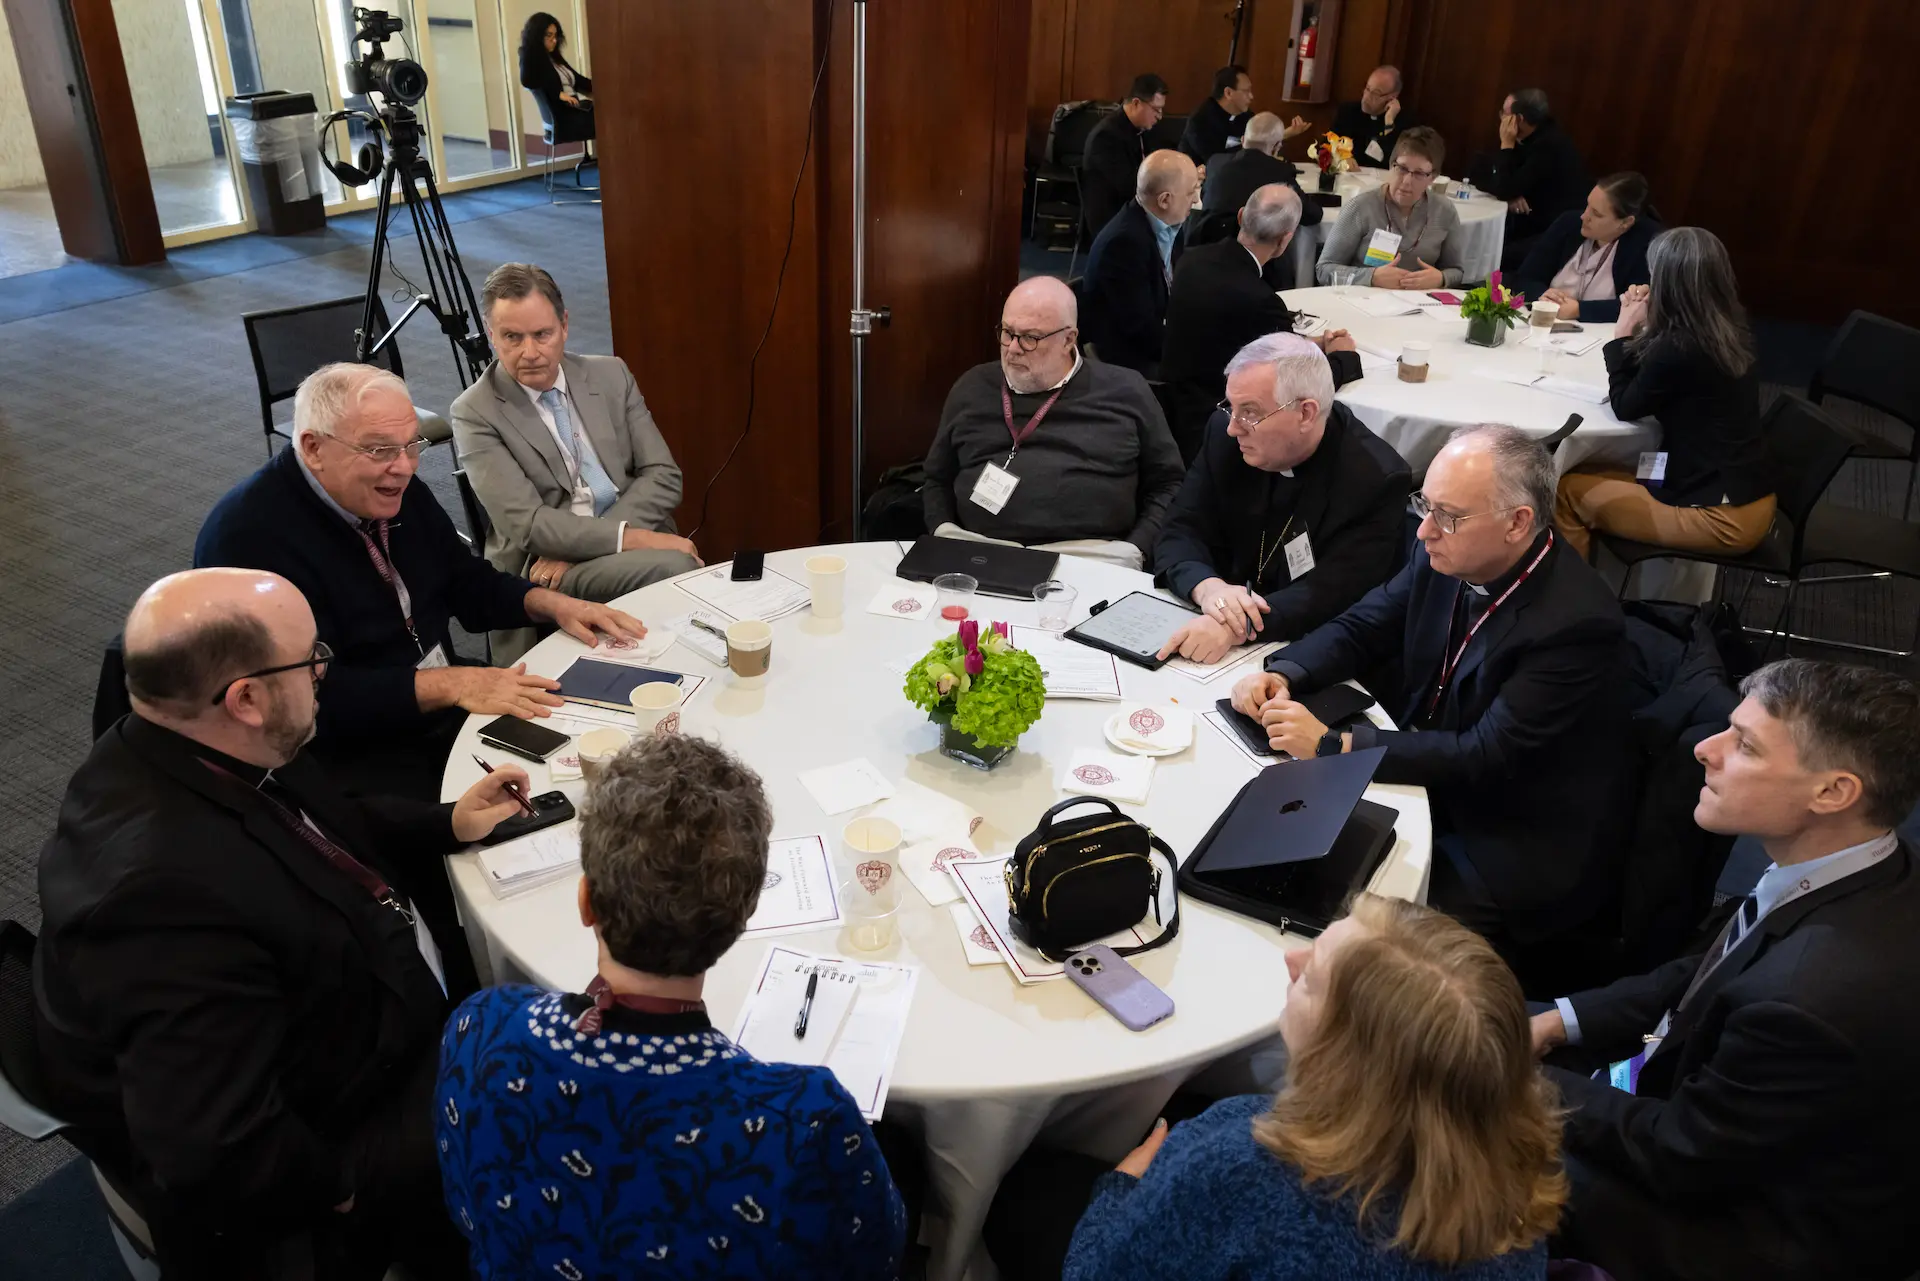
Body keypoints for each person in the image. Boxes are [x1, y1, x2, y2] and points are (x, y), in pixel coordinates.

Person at [33, 568, 534, 1279]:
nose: (325, 671)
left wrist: (448, 820)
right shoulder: (158, 902)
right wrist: (353, 1189)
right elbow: (220, 1147)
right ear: (245, 698)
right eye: (311, 659)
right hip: (345, 1132)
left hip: (359, 1009)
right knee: (556, 1083)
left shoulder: (188, 740)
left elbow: (322, 823)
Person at [437, 732, 908, 1279]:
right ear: (742, 917)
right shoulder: (804, 1120)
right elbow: (879, 1256)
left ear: (585, 902)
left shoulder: (481, 1028)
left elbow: (467, 1211)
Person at [1534, 659, 1920, 1281]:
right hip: (1718, 1118)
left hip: (1754, 1235)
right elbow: (1711, 970)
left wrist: (1511, 1075)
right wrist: (1558, 1022)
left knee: (1452, 1139)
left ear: (1832, 793)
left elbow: (1678, 1156)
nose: (1704, 749)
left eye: (1744, 745)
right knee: (1489, 1019)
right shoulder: (1865, 864)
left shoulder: (1807, 999)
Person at [987, 895, 1559, 1281]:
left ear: (1343, 1054)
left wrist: (1121, 1187)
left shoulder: (1244, 1167)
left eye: (1313, 978)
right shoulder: (1518, 1184)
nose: (1292, 959)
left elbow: (1094, 1272)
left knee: (1018, 1185)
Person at [1231, 425, 1630, 977]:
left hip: (1500, 830)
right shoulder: (1447, 554)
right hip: (1423, 767)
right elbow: (1364, 625)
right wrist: (1284, 671)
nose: (1423, 531)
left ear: (1517, 523)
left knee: (1352, 939)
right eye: (1425, 505)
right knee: (1262, 854)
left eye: (1448, 515)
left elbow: (1484, 755)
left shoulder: (1576, 624)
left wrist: (1331, 745)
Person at [196, 362, 644, 801]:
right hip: (353, 756)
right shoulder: (247, 542)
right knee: (525, 810)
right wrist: (450, 685)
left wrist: (551, 603)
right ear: (313, 447)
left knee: (596, 755)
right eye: (379, 450)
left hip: (436, 706)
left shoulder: (391, 488)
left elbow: (462, 580)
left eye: (412, 445)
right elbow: (306, 701)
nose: (405, 467)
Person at [450, 263, 701, 617]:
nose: (530, 352)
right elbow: (529, 525)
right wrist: (632, 539)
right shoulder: (474, 411)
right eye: (512, 338)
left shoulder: (610, 374)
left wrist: (593, 544)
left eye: (542, 334)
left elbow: (663, 475)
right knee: (677, 567)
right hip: (545, 563)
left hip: (584, 547)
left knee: (676, 572)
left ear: (564, 325)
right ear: (491, 335)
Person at [1155, 334, 1410, 663]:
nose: (1233, 427)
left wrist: (1236, 624)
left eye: (1250, 412)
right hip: (1206, 615)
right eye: (1231, 406)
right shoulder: (1224, 433)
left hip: (1303, 647)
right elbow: (1180, 527)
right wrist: (1209, 589)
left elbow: (1332, 594)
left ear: (1305, 414)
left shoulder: (1374, 478)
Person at [922, 277, 1183, 567]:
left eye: (1030, 338)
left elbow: (1168, 482)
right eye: (1007, 332)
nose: (1013, 348)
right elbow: (936, 478)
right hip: (977, 548)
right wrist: (942, 530)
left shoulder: (1126, 390)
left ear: (1068, 340)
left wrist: (1137, 548)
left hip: (1092, 555)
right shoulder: (973, 387)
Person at [1553, 227, 1774, 561]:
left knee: (1565, 491)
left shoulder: (1678, 347)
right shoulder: (1728, 327)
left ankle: (1576, 594)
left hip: (1721, 516)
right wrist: (1649, 322)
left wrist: (1623, 333)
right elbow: (1657, 380)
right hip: (1745, 491)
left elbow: (1625, 405)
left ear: (1667, 285)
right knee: (1596, 469)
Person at [1161, 190, 1360, 461]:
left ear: (1241, 216)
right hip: (1221, 423)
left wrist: (1307, 344)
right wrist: (1344, 357)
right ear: (1286, 239)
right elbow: (1300, 385)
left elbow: (1228, 333)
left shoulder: (1191, 259)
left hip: (1174, 406)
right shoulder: (1261, 301)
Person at [1080, 149, 1201, 374]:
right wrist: (1193, 349)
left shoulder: (1170, 224)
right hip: (1125, 357)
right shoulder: (1123, 244)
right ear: (1165, 200)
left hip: (1154, 332)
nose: (1195, 200)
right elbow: (1139, 330)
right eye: (1191, 192)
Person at [1314, 128, 1467, 289]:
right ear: (1391, 166)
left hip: (1420, 301)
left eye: (1419, 173)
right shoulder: (1360, 207)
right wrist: (1371, 277)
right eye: (1402, 168)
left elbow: (1456, 271)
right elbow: (1324, 270)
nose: (1407, 181)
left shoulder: (1444, 211)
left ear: (1433, 178)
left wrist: (1441, 278)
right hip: (1363, 299)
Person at [1511, 172, 1659, 323]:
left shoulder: (1647, 246)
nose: (1584, 216)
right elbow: (1525, 278)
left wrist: (1579, 310)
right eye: (1588, 205)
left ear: (1626, 223)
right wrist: (1544, 296)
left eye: (1596, 214)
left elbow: (1642, 305)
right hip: (1548, 322)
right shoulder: (1568, 224)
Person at [1470, 89, 1588, 270]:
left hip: (1550, 230)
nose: (1501, 119)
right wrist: (1510, 193)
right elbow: (1481, 173)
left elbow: (1503, 187)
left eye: (1505, 114)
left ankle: (1485, 284)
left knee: (1489, 254)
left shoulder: (1548, 145)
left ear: (1519, 119)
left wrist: (1506, 146)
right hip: (1525, 219)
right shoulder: (1527, 136)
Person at [1198, 111, 1323, 242]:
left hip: (1204, 246)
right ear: (1277, 146)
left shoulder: (1215, 162)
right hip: (1250, 249)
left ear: (1243, 140)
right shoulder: (1279, 171)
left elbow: (1205, 197)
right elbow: (1311, 215)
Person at [1080, 73, 1168, 241]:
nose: (1160, 116)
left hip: (1134, 206)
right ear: (1136, 103)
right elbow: (1128, 184)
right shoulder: (1106, 137)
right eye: (1156, 109)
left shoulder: (1143, 128)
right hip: (1113, 216)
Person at [1178, 65, 1303, 166]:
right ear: (1228, 93)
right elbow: (1215, 162)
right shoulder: (1201, 120)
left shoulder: (1246, 116)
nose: (1251, 96)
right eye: (1246, 91)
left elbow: (1257, 148)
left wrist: (1283, 134)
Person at [518, 11, 593, 140]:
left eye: (555, 35)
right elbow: (527, 80)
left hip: (575, 109)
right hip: (563, 117)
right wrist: (557, 93)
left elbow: (578, 80)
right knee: (610, 117)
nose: (554, 40)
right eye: (549, 35)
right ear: (536, 35)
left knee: (610, 110)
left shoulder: (554, 58)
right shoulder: (529, 55)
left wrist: (603, 86)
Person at [1330, 65, 1416, 168]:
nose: (1366, 96)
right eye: (1367, 88)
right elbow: (1327, 148)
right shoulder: (1347, 111)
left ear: (1392, 97)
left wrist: (1389, 123)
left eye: (1376, 93)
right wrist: (1342, 159)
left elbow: (1393, 162)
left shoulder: (1405, 122)